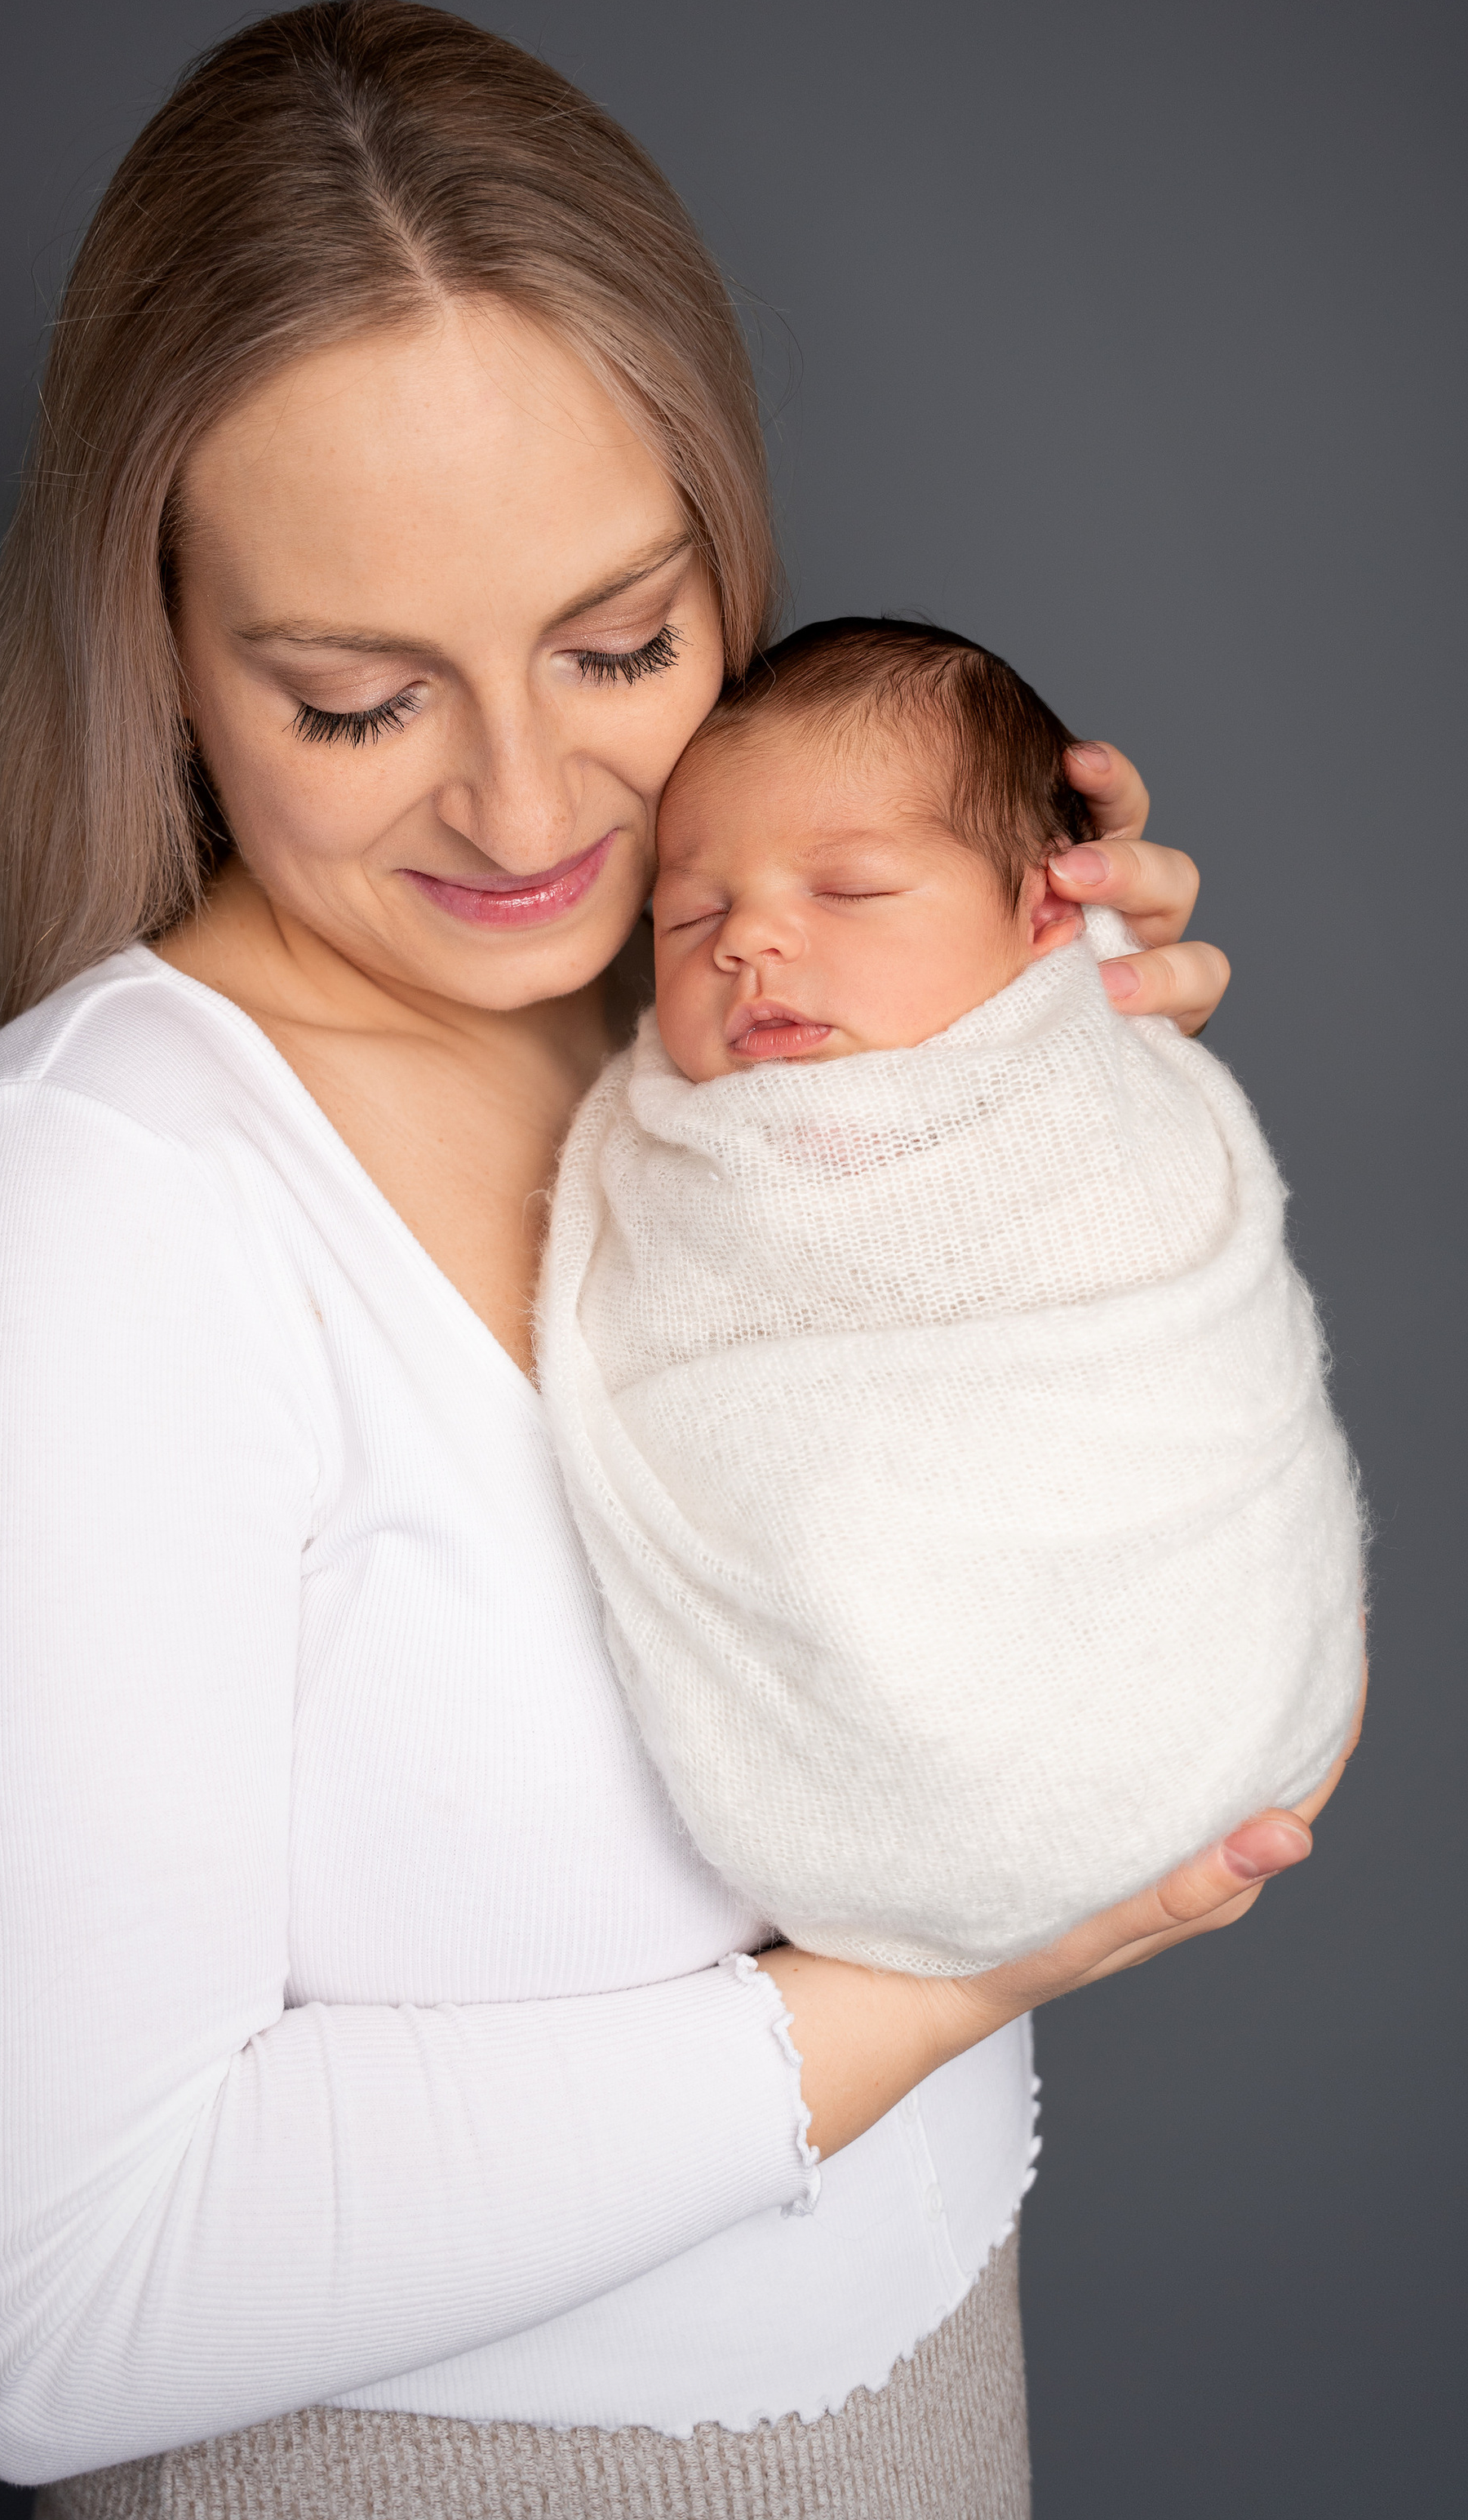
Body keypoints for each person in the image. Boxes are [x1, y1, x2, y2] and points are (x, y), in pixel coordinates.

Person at [0, 0, 1355, 2520]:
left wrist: (1052, 1098)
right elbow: (47, 2302)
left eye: (624, 639)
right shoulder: (111, 1204)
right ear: (158, 651)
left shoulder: (735, 1040)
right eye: (357, 694)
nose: (535, 805)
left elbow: (1116, 1538)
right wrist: (947, 1980)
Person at [539, 614, 1365, 1981]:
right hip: (838, 1785)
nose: (747, 941)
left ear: (1046, 913)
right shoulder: (673, 1137)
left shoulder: (1077, 1076)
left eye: (850, 890)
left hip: (1159, 1647)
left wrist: (1099, 1006)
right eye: (689, 917)